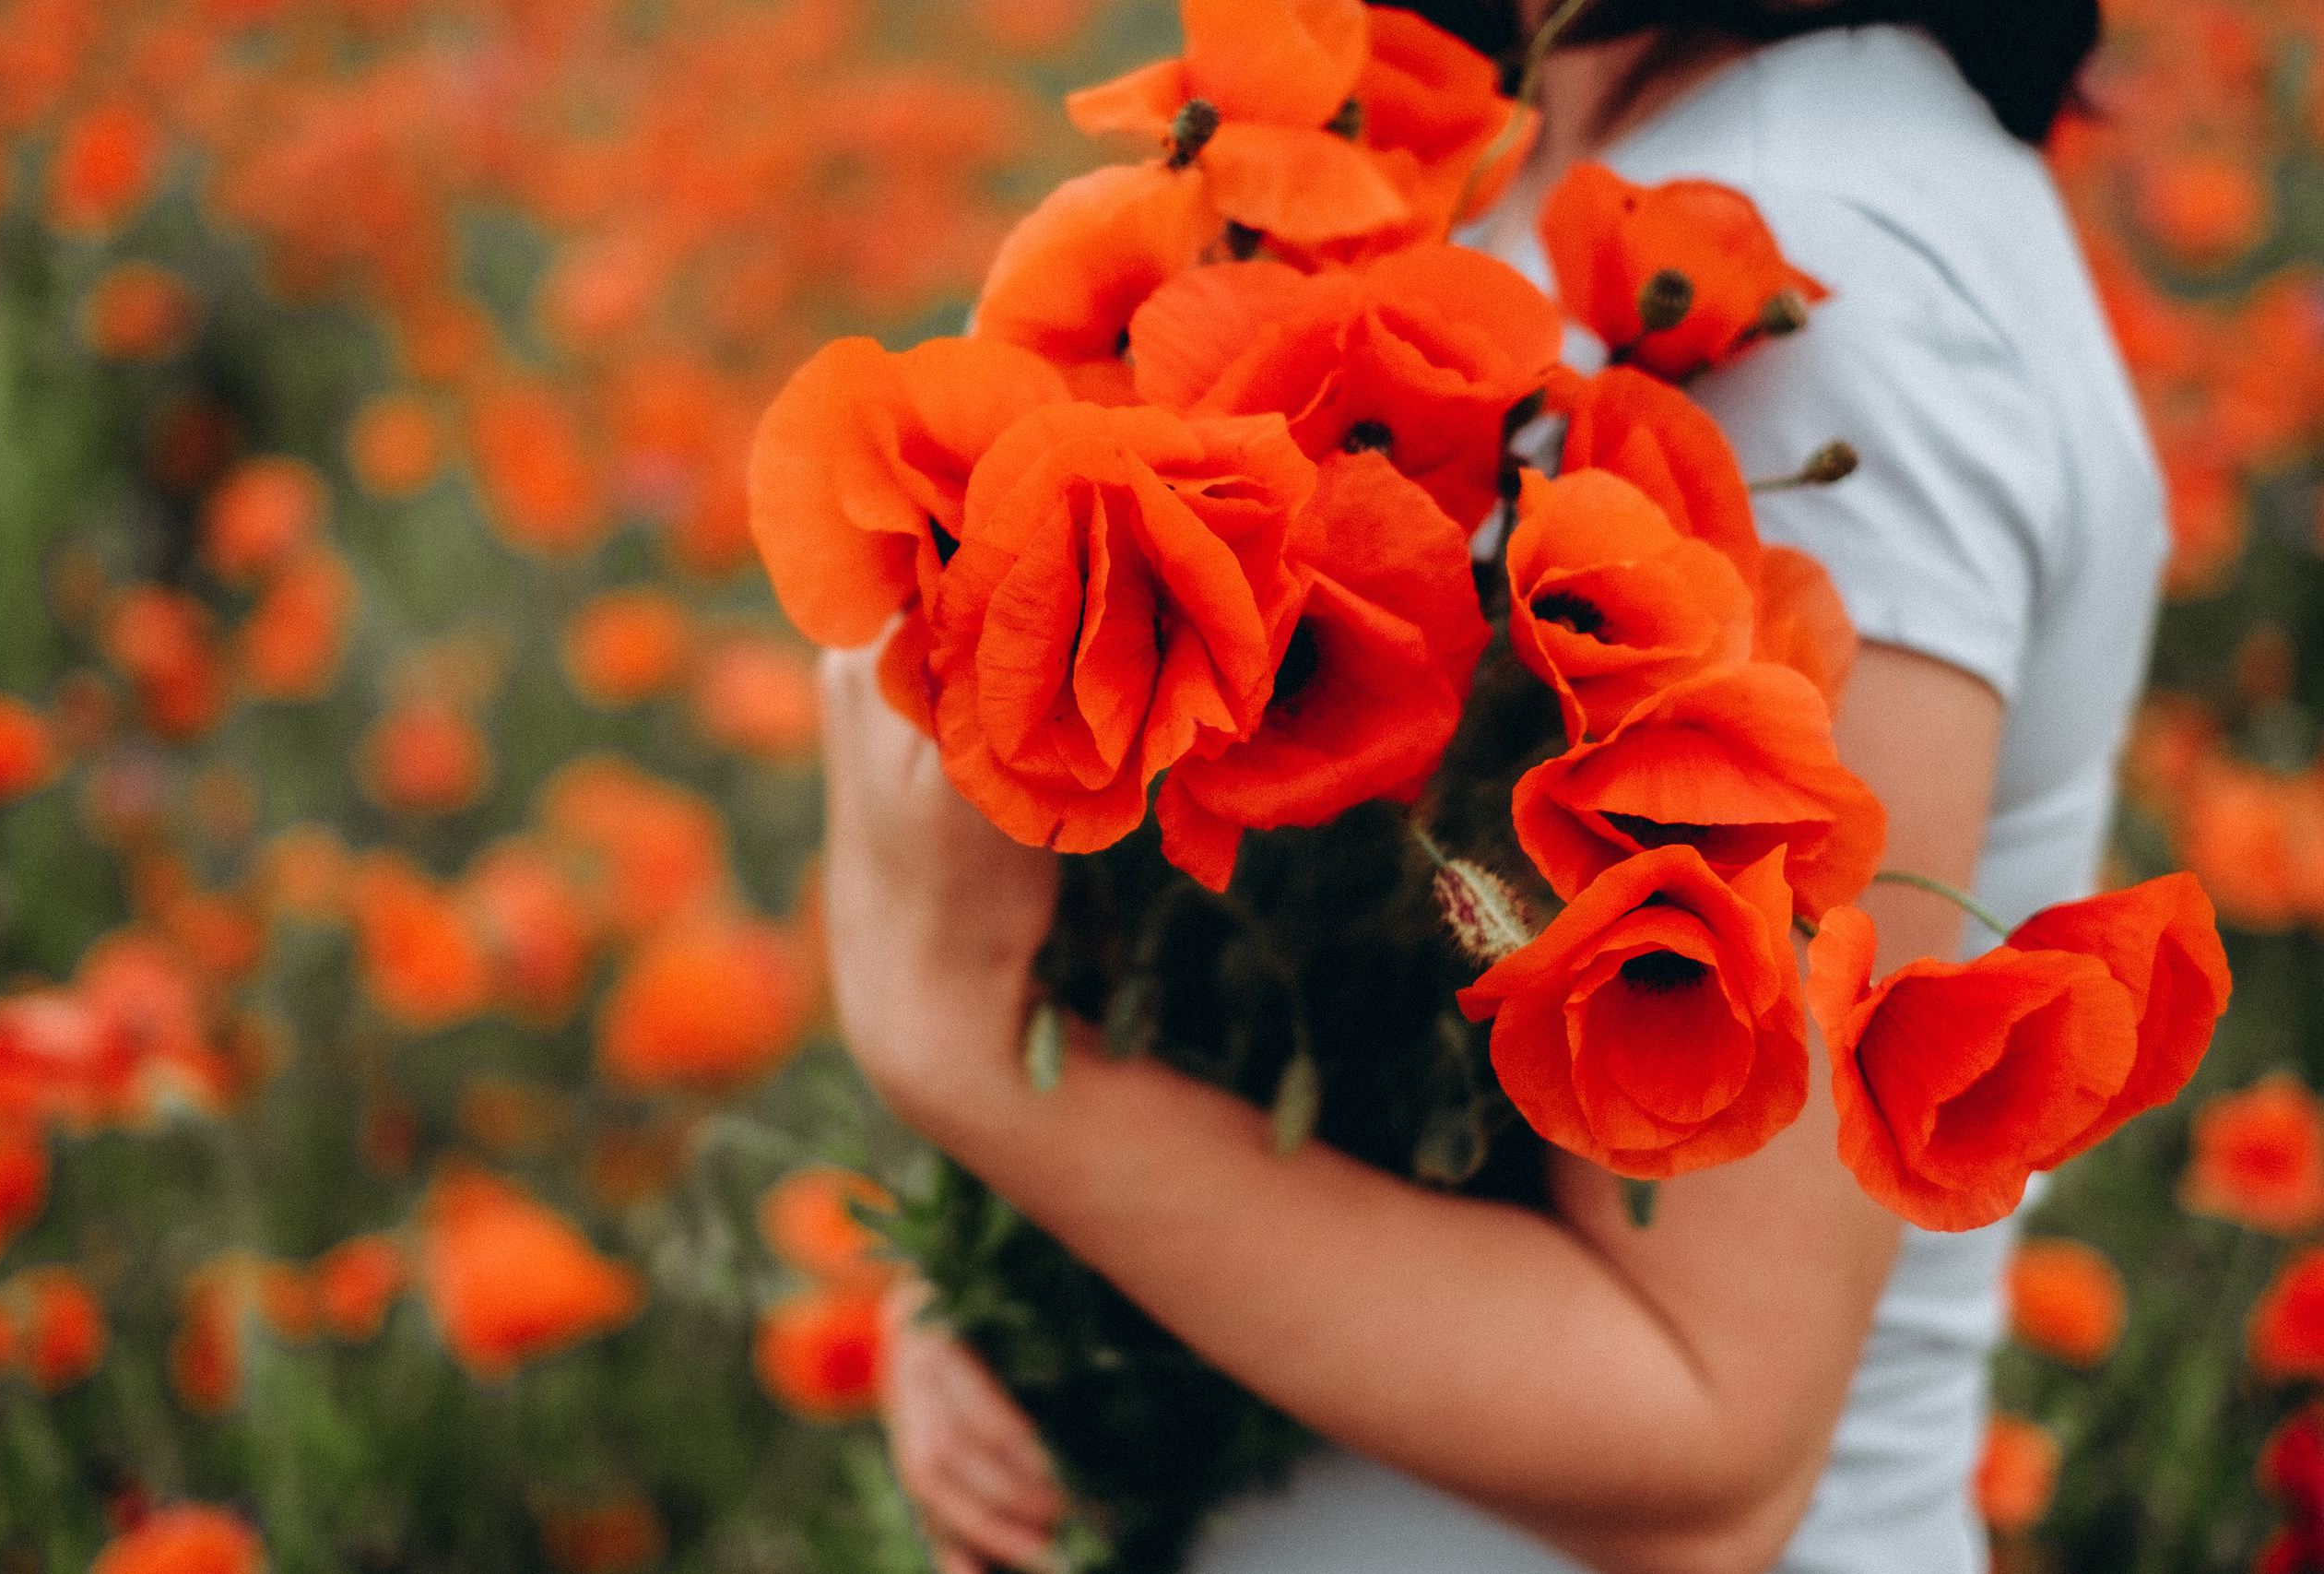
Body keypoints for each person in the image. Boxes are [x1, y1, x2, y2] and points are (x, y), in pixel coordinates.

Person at [820, 1, 2162, 1569]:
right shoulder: (1596, 157)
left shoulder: (1815, 284)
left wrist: (977, 1060)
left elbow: (1702, 1434)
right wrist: (1037, 1268)